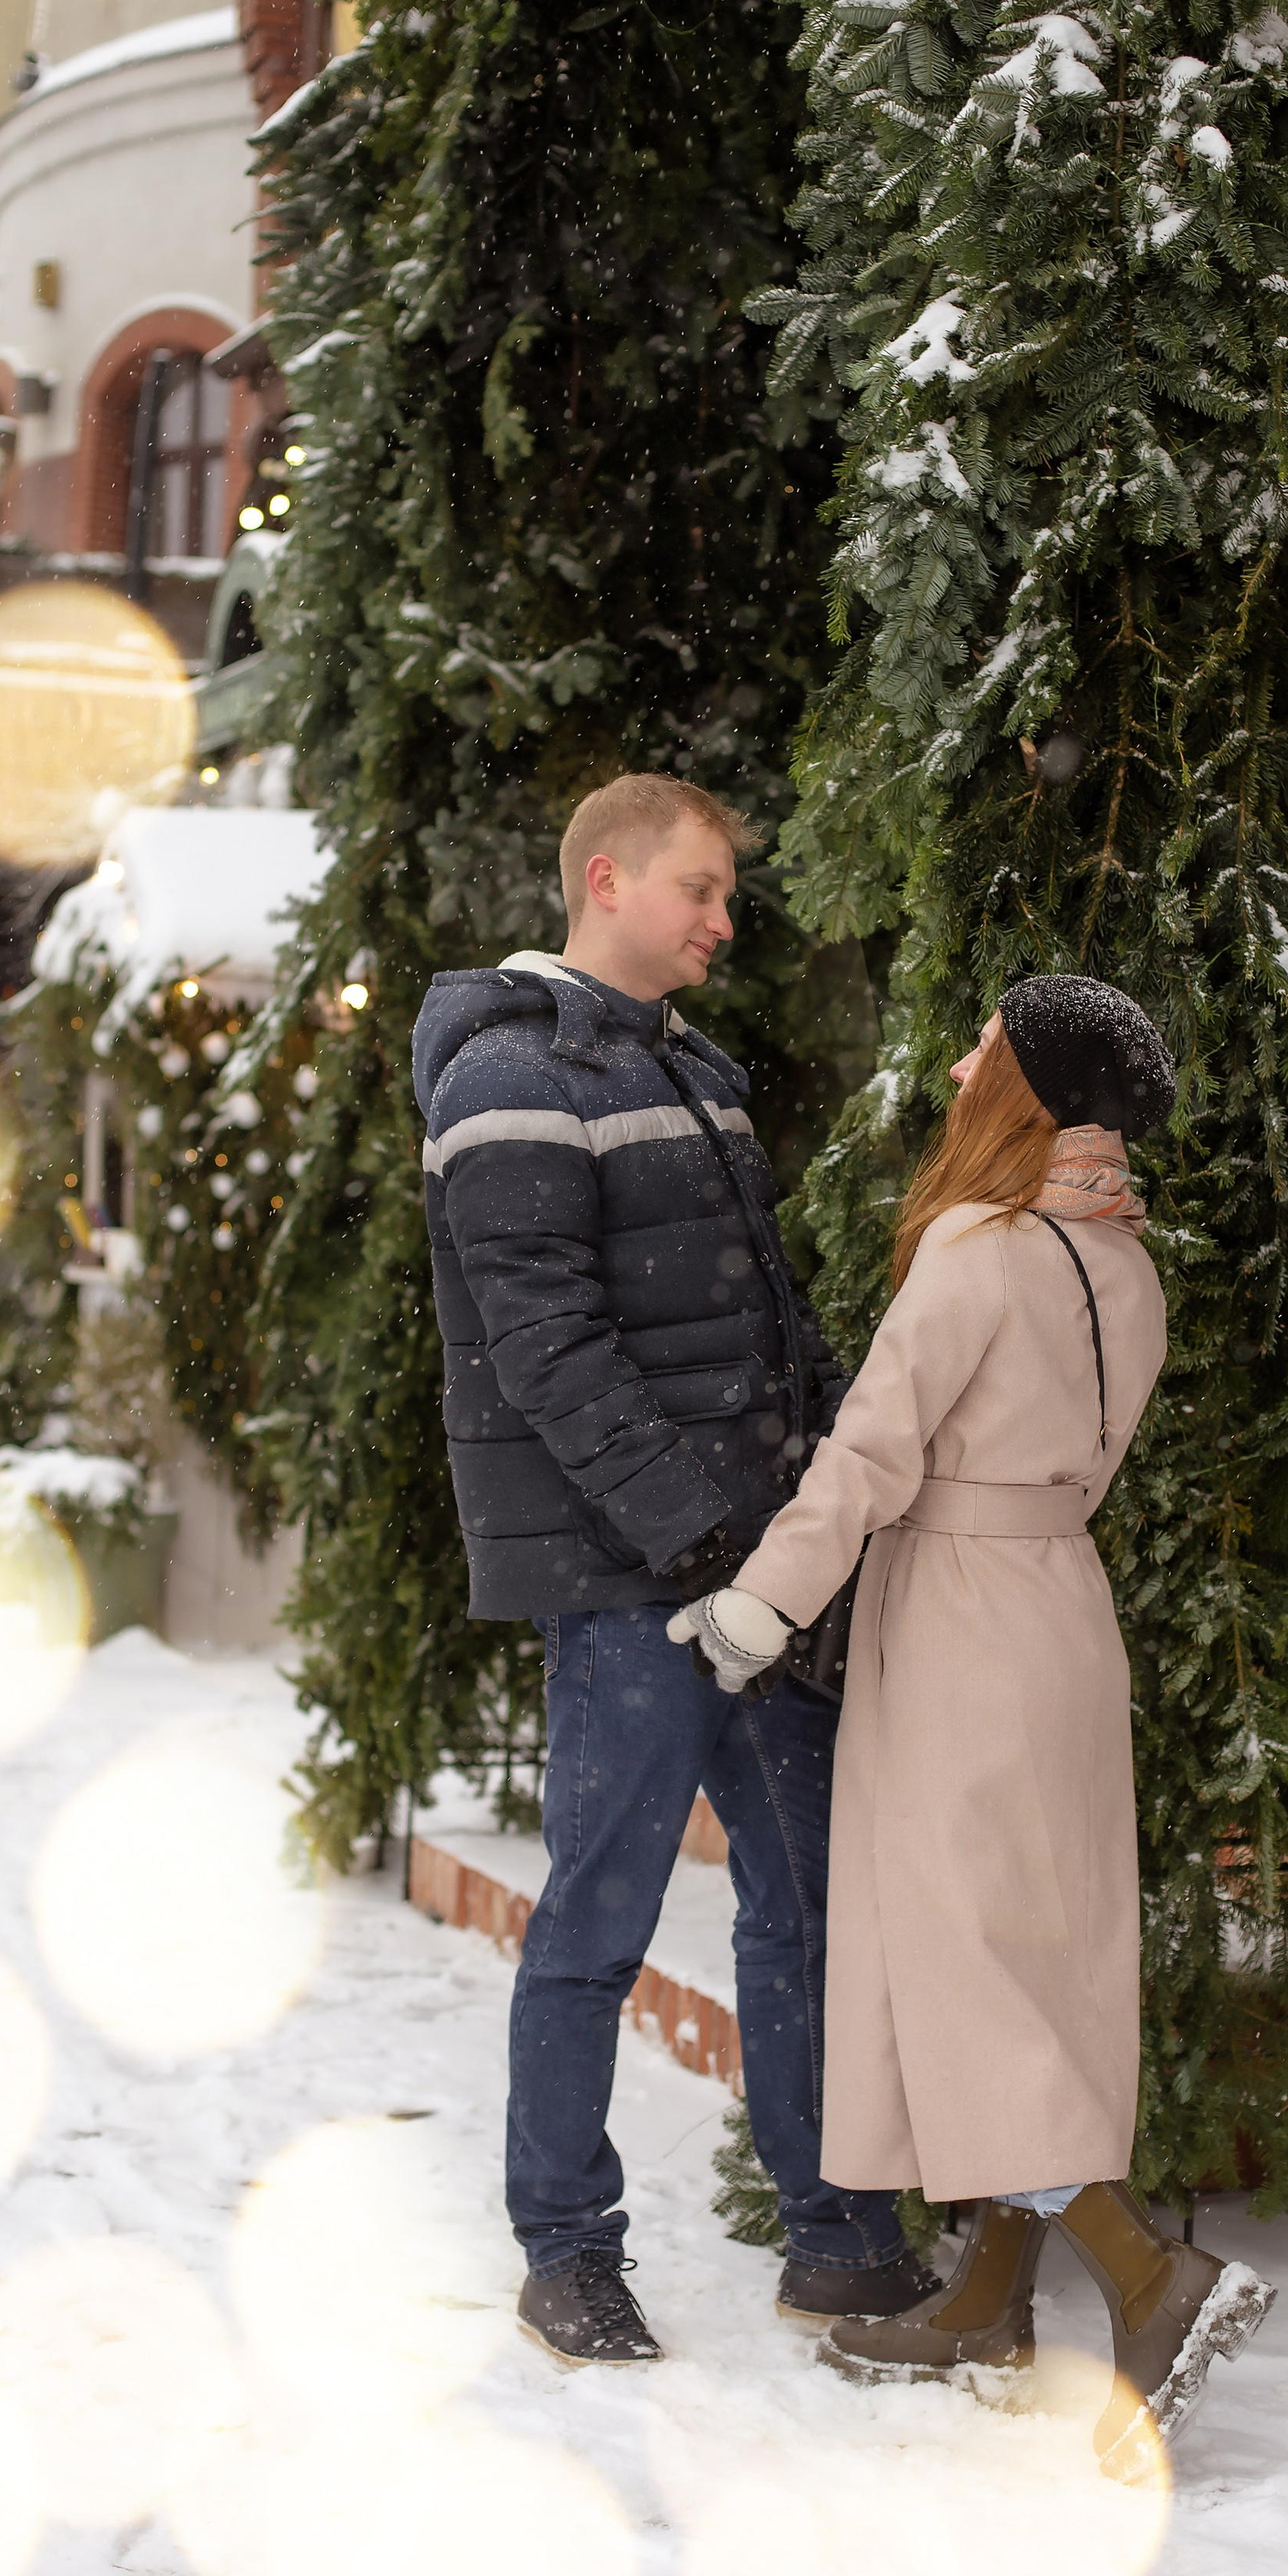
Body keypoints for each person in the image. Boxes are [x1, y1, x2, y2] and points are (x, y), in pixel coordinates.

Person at [670, 975, 1276, 2466]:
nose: (959, 1066)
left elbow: (869, 1457)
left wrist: (759, 1609)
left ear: (1032, 1088)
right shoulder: (1126, 1263)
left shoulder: (979, 1249)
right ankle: (988, 2301)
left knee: (963, 1957)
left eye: (988, 1048)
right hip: (1062, 1607)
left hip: (956, 1616)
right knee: (1036, 1948)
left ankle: (1153, 2277)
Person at [411, 771, 938, 2366]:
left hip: (757, 1576)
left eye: (724, 893)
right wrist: (697, 1546)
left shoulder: (696, 1072)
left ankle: (836, 2237)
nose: (723, 918)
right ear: (604, 880)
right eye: (699, 888)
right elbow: (548, 1350)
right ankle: (566, 2252)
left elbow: (764, 1319)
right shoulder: (506, 1077)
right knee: (599, 1918)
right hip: (632, 1586)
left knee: (809, 1911)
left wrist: (825, 1491)